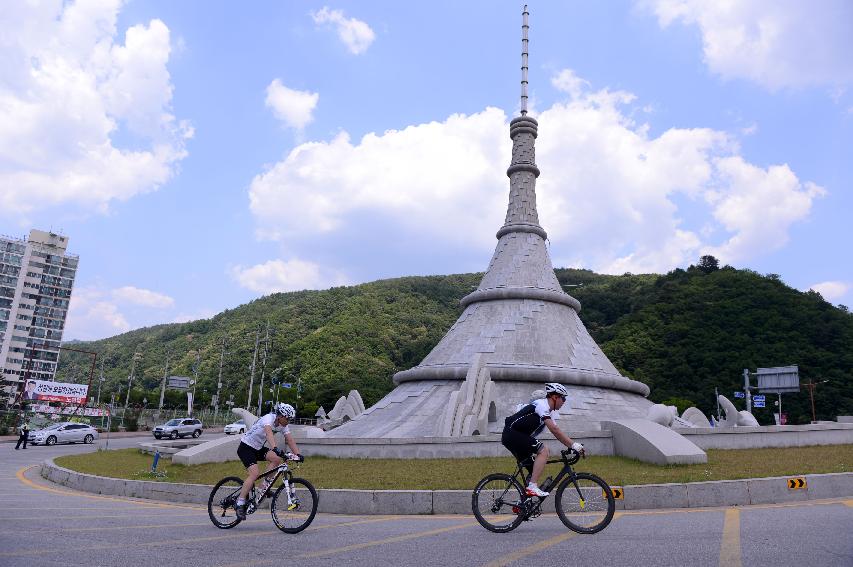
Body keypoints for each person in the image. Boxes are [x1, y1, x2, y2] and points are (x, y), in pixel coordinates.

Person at [501, 382, 584, 497]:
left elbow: (557, 432)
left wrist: (570, 446)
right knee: (544, 450)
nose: (564, 402)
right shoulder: (541, 405)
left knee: (533, 470)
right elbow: (554, 430)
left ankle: (523, 504)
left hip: (515, 436)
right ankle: (532, 487)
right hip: (512, 434)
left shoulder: (549, 411)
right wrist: (574, 445)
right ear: (555, 397)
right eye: (563, 398)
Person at [235, 402, 303, 520]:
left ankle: (263, 488)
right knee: (254, 474)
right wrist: (275, 447)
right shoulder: (268, 418)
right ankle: (239, 503)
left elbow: (290, 439)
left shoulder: (283, 425)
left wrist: (298, 454)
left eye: (290, 419)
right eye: (288, 419)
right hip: (246, 447)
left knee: (276, 459)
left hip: (258, 448)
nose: (288, 421)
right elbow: (268, 433)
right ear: (280, 416)